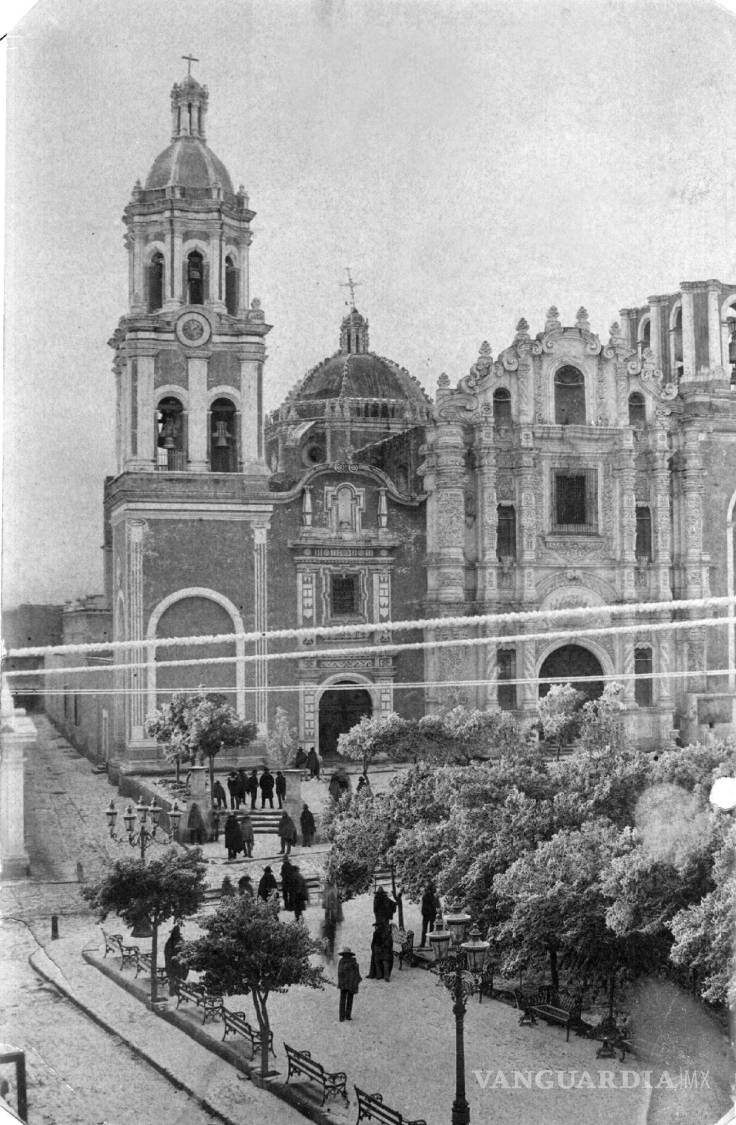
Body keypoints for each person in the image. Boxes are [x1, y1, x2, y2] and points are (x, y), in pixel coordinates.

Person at [163, 923, 188, 996]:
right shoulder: (175, 941)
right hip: (174, 964)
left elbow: (167, 952)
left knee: (173, 977)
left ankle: (174, 990)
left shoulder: (170, 941)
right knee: (175, 978)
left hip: (173, 964)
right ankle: (174, 990)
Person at [337, 947, 362, 1022]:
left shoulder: (354, 963)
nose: (346, 956)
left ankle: (347, 1016)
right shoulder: (342, 962)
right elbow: (340, 972)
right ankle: (342, 1017)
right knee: (343, 1000)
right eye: (345, 954)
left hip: (350, 983)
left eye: (347, 954)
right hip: (345, 983)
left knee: (349, 1000)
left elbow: (356, 973)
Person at [322, 879, 343, 960]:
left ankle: (329, 953)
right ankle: (329, 953)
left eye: (326, 883)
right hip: (330, 919)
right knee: (330, 937)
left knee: (329, 936)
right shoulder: (331, 892)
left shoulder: (331, 893)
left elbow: (331, 907)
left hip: (330, 919)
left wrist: (331, 919)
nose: (324, 885)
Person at [420, 881, 440, 948]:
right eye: (432, 889)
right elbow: (424, 907)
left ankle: (428, 944)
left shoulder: (432, 897)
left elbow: (435, 906)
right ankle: (424, 944)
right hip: (428, 915)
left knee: (429, 930)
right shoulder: (427, 897)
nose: (434, 890)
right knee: (426, 930)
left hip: (430, 915)